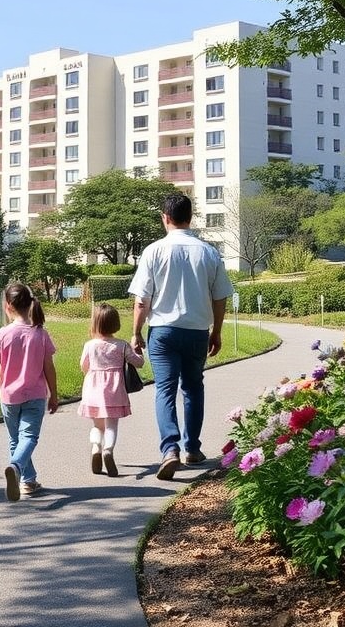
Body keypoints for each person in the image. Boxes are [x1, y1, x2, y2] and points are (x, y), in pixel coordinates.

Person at [129, 193, 233, 480]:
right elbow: (220, 297)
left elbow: (142, 300)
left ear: (165, 217)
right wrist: (217, 331)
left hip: (162, 331)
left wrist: (136, 332)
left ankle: (169, 449)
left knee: (165, 389)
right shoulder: (209, 252)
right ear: (191, 217)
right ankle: (192, 448)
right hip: (197, 331)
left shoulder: (154, 251)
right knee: (193, 388)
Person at [0, 283, 58, 501]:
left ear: (7, 305)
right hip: (35, 395)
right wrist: (54, 395)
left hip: (9, 397)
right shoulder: (40, 334)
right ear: (30, 304)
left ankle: (27, 480)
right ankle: (18, 468)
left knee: (15, 439)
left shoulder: (1, 334)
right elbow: (49, 367)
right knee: (28, 437)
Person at [77, 302, 145, 476]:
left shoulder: (90, 345)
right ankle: (108, 450)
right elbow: (139, 363)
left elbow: (83, 366)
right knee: (111, 426)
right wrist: (139, 351)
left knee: (97, 426)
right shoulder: (121, 345)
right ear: (115, 324)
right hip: (114, 391)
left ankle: (95, 448)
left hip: (93, 390)